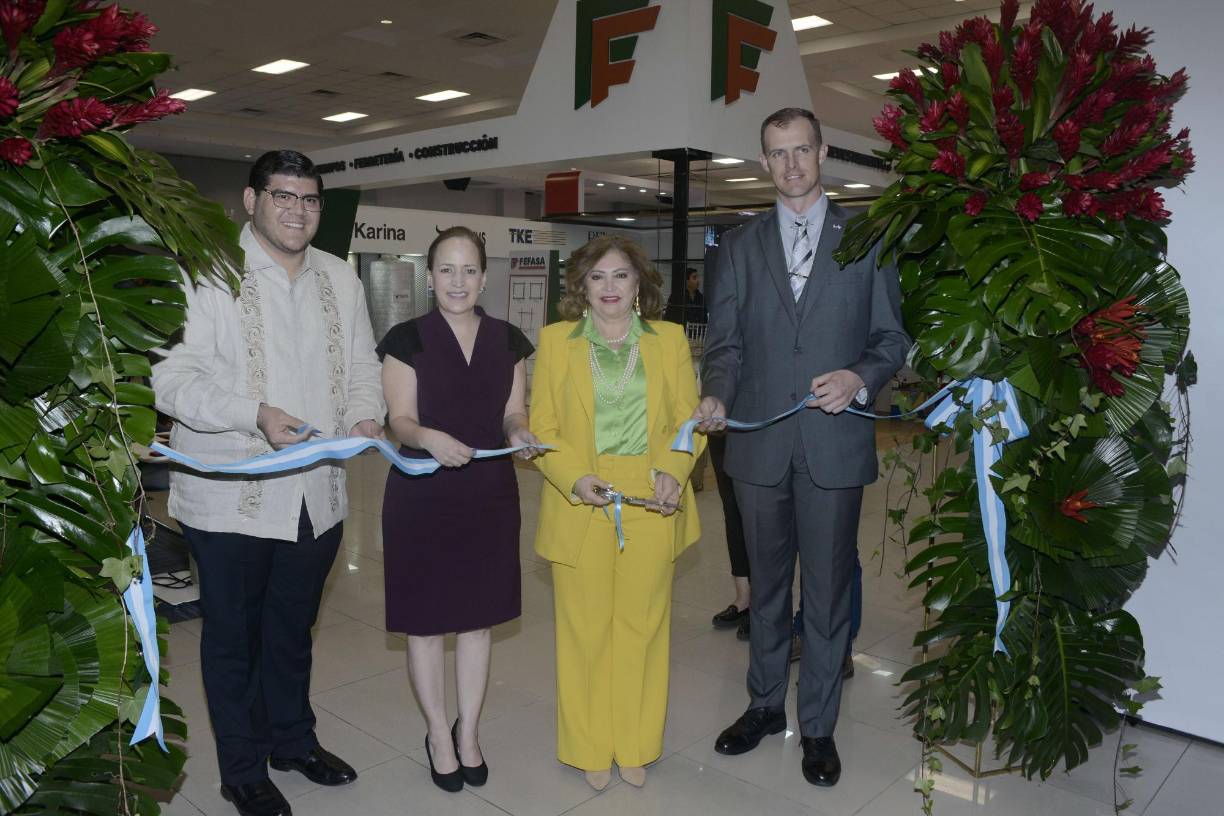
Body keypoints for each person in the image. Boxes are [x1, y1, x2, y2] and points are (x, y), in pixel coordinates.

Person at [152, 150, 385, 816]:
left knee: (291, 630)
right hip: (231, 496)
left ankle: (292, 742)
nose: (298, 211)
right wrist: (253, 415)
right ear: (251, 201)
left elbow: (363, 366)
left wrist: (365, 413)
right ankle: (242, 768)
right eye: (283, 197)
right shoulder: (206, 272)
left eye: (310, 200)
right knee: (233, 637)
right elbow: (172, 381)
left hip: (317, 496)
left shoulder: (340, 278)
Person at [692, 108, 910, 787]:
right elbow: (725, 346)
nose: (791, 164)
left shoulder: (866, 240)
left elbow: (891, 339)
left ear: (823, 153)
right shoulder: (737, 246)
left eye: (802, 150)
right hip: (757, 450)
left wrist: (859, 378)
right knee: (763, 593)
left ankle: (817, 726)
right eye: (777, 152)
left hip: (833, 443)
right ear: (764, 162)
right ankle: (762, 707)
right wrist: (717, 396)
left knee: (825, 594)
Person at [530, 235, 705, 791]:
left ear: (639, 285)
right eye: (598, 277)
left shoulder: (668, 339)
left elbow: (687, 420)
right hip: (581, 491)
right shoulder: (556, 342)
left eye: (621, 276)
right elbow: (544, 428)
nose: (609, 287)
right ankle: (587, 748)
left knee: (643, 626)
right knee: (583, 629)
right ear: (581, 286)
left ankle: (634, 744)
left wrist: (673, 473)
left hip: (653, 494)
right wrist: (574, 478)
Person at [377, 226, 541, 793]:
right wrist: (426, 436)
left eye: (469, 270)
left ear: (485, 277)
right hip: (421, 493)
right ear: (429, 276)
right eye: (446, 269)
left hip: (488, 497)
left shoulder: (509, 340)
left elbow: (513, 411)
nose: (458, 281)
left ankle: (468, 730)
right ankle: (437, 735)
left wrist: (521, 432)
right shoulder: (406, 339)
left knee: (477, 622)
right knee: (425, 625)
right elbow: (397, 420)